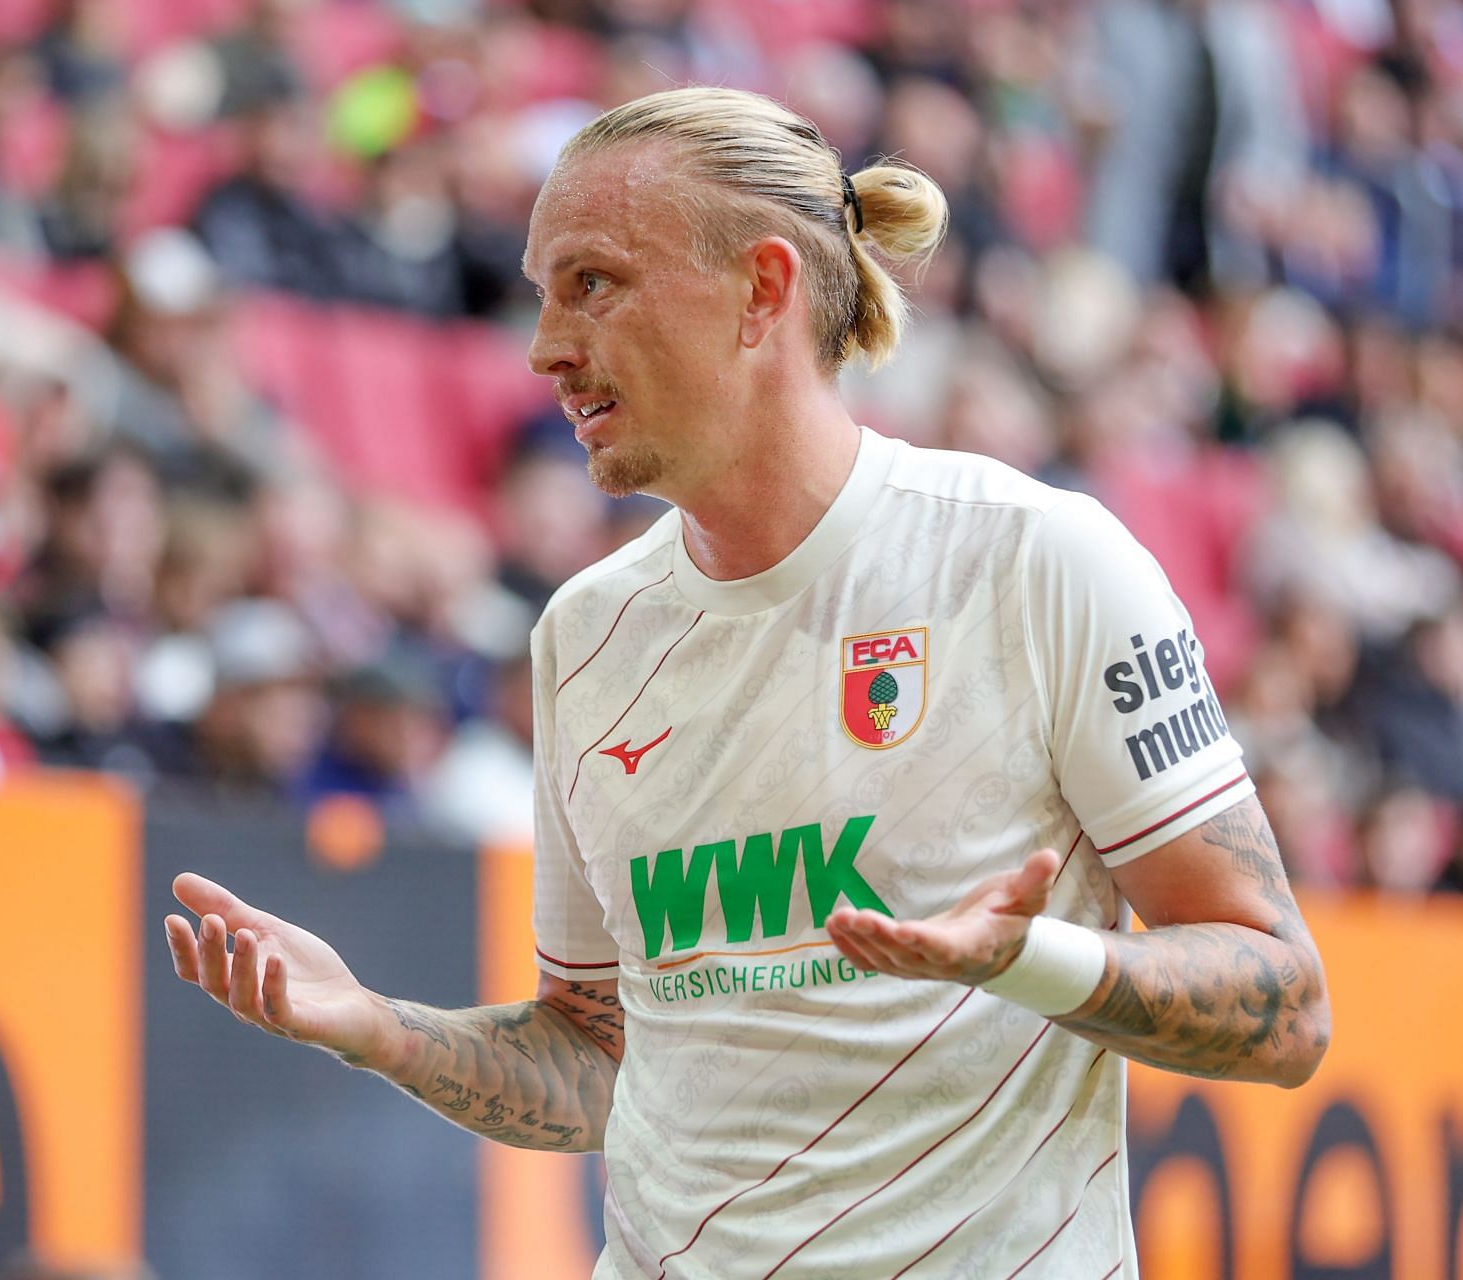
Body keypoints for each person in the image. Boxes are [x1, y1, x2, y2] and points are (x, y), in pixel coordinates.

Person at [166, 87, 1330, 1278]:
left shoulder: (1037, 561)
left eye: (594, 283)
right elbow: (595, 1057)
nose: (544, 346)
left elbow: (1287, 1004)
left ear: (762, 291)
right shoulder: (586, 632)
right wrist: (380, 1027)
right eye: (540, 291)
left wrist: (1027, 963)